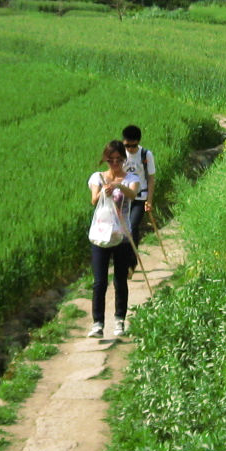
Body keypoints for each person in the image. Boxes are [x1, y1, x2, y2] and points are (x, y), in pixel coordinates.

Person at [87, 140, 140, 339]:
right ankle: (97, 323)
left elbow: (133, 194)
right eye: (111, 160)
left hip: (122, 236)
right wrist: (104, 190)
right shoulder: (97, 177)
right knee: (99, 281)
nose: (115, 163)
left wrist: (119, 186)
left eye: (119, 159)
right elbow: (93, 200)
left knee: (120, 280)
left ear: (124, 159)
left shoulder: (130, 178)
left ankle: (119, 321)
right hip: (100, 235)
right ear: (105, 159)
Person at [120, 124, 156, 260]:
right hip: (124, 196)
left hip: (140, 197)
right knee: (123, 228)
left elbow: (151, 178)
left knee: (132, 225)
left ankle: (132, 260)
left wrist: (150, 200)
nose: (130, 149)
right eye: (127, 146)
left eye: (133, 146)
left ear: (138, 142)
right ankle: (126, 257)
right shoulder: (120, 154)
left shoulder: (146, 155)